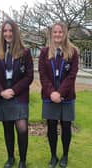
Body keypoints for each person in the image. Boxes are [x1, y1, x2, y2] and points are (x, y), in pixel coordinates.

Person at [0, 19, 33, 168]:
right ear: (2, 33)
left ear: (15, 32)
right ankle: (10, 158)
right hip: (2, 96)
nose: (8, 34)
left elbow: (29, 76)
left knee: (22, 128)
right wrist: (1, 91)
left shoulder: (25, 52)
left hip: (19, 95)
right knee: (7, 128)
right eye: (5, 31)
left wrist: (13, 90)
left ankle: (22, 160)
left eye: (10, 31)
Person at [38, 22, 79, 168]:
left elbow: (72, 75)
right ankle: (53, 156)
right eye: (55, 32)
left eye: (60, 32)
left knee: (66, 126)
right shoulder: (44, 52)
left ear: (65, 33)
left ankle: (65, 155)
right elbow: (43, 75)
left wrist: (60, 93)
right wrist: (52, 93)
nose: (57, 34)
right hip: (49, 97)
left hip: (66, 97)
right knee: (51, 126)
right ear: (51, 34)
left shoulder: (73, 52)